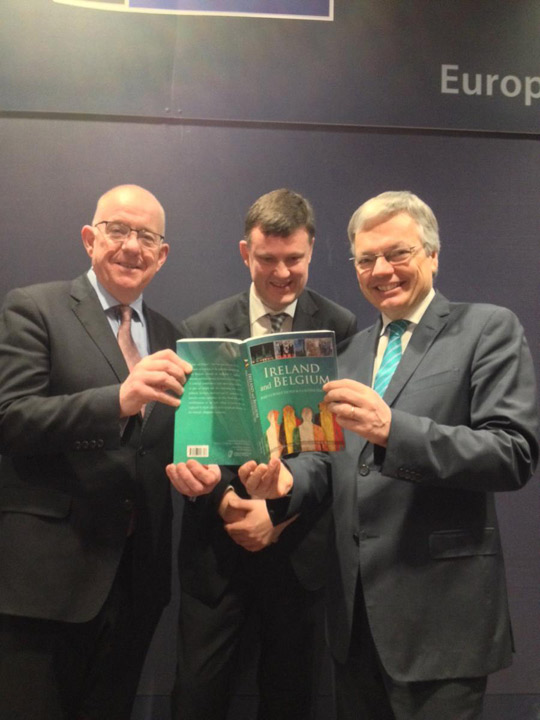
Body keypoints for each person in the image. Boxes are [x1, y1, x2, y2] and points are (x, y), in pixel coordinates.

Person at [237, 191, 539, 720]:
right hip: (354, 622)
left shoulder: (487, 329)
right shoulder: (349, 352)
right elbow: (331, 461)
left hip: (442, 623)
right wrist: (284, 486)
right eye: (366, 259)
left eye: (398, 253)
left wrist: (392, 429)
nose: (382, 270)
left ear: (432, 255)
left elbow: (512, 452)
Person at [0, 184, 196, 720]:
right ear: (90, 239)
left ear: (162, 254)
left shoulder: (172, 338)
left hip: (136, 584)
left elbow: (166, 448)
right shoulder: (34, 308)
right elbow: (11, 419)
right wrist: (119, 399)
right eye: (118, 230)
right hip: (47, 582)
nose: (132, 246)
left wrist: (200, 473)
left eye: (147, 237)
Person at [169, 188, 357, 720]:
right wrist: (231, 504)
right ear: (244, 252)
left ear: (311, 251)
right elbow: (195, 442)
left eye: (293, 258)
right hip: (216, 549)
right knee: (198, 698)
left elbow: (338, 448)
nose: (281, 272)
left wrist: (276, 514)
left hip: (298, 549)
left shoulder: (340, 328)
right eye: (267, 258)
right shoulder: (200, 329)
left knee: (291, 698)